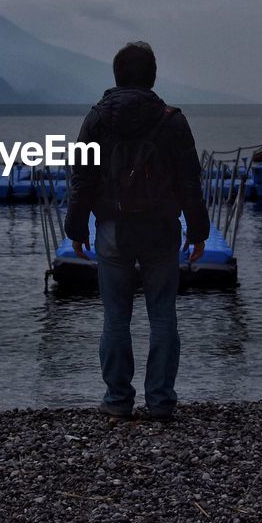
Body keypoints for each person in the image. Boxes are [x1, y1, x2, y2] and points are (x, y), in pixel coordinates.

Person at [64, 42, 210, 422]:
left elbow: (82, 177)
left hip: (112, 226)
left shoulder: (97, 118)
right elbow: (189, 180)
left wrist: (76, 226)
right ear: (152, 76)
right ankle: (160, 402)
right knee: (163, 316)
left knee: (115, 318)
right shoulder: (172, 120)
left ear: (116, 76)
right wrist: (198, 231)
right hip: (161, 228)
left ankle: (117, 400)